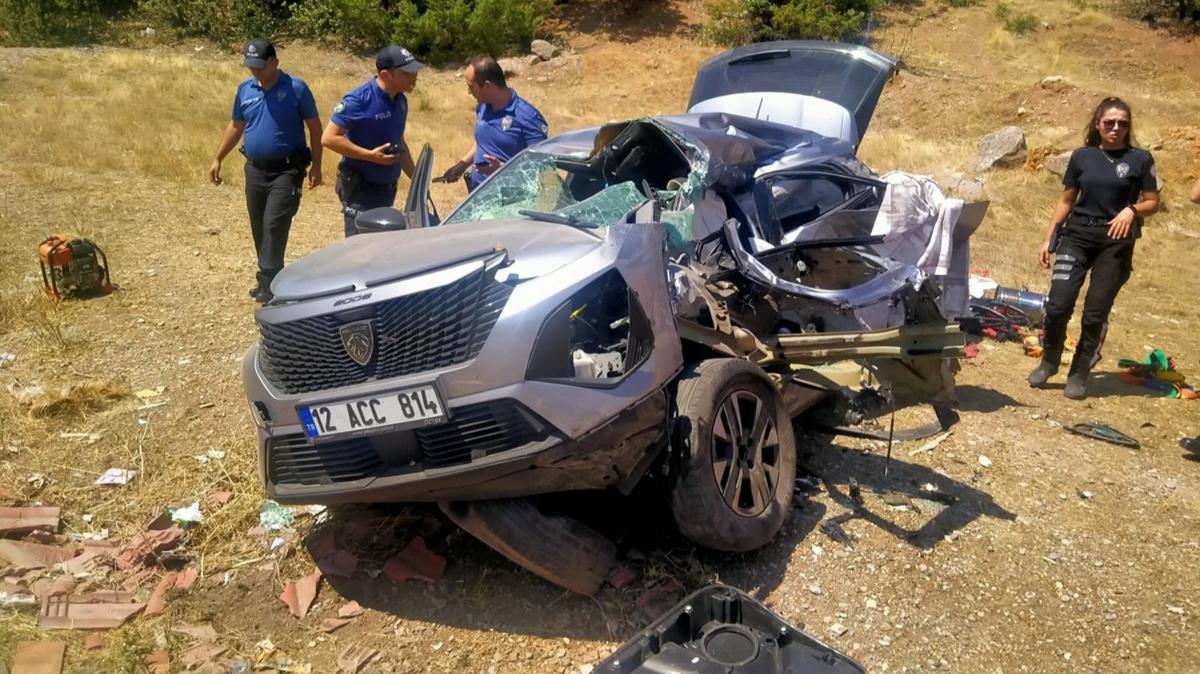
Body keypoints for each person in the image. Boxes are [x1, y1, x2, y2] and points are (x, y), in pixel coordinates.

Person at [1029, 97, 1160, 399]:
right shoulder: (1082, 157)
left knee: (1094, 313)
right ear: (1098, 124)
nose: (1116, 128)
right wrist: (1049, 238)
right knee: (1058, 304)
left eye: (1123, 123)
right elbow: (1066, 201)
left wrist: (1132, 210)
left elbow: (1153, 202)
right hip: (1076, 237)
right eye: (1109, 122)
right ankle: (1049, 360)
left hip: (1115, 244)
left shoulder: (1141, 159)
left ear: (1129, 127)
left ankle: (1079, 372)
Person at [210, 38, 322, 304]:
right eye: (251, 66)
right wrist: (218, 158)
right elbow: (236, 126)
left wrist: (317, 165)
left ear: (275, 62)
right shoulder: (245, 90)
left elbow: (315, 128)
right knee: (259, 225)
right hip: (255, 170)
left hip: (286, 171)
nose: (255, 71)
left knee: (274, 223)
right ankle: (270, 278)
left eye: (260, 65)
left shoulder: (296, 89)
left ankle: (270, 281)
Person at [322, 45, 423, 237]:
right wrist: (369, 156)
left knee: (379, 245)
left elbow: (399, 141)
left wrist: (416, 178)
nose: (414, 76)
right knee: (360, 248)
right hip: (361, 189)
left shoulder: (400, 100)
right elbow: (328, 138)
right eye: (407, 73)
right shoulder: (358, 100)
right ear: (386, 75)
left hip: (387, 188)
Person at [439, 55, 549, 191]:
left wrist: (503, 169)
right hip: (478, 196)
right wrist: (462, 165)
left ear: (487, 86)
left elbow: (541, 166)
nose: (469, 92)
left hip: (510, 201)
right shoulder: (483, 107)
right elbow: (484, 141)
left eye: (471, 87)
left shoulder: (528, 117)